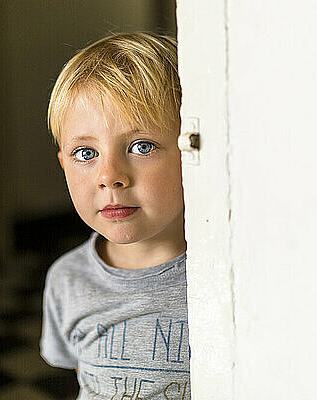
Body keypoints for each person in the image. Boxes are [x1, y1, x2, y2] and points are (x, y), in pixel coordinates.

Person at [40, 32, 190, 399]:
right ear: (64, 165)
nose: (110, 176)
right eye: (85, 153)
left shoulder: (227, 277)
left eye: (141, 146)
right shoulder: (67, 280)